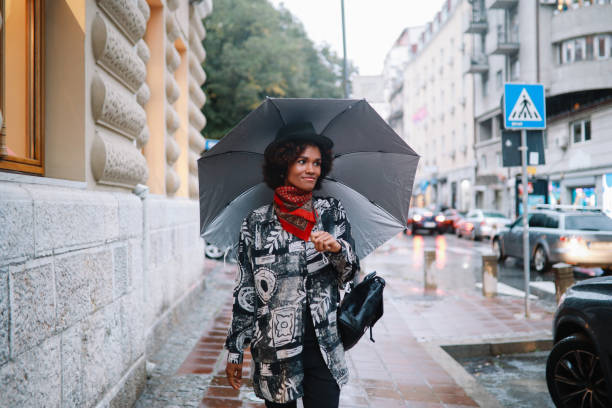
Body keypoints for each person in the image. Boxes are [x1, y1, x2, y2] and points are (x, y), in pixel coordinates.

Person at [225, 122, 359, 408]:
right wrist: (235, 350)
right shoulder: (257, 222)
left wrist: (337, 249)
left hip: (324, 343)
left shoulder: (331, 212)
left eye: (317, 163)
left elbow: (350, 272)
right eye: (302, 161)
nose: (311, 169)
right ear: (282, 163)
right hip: (273, 348)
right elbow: (246, 289)